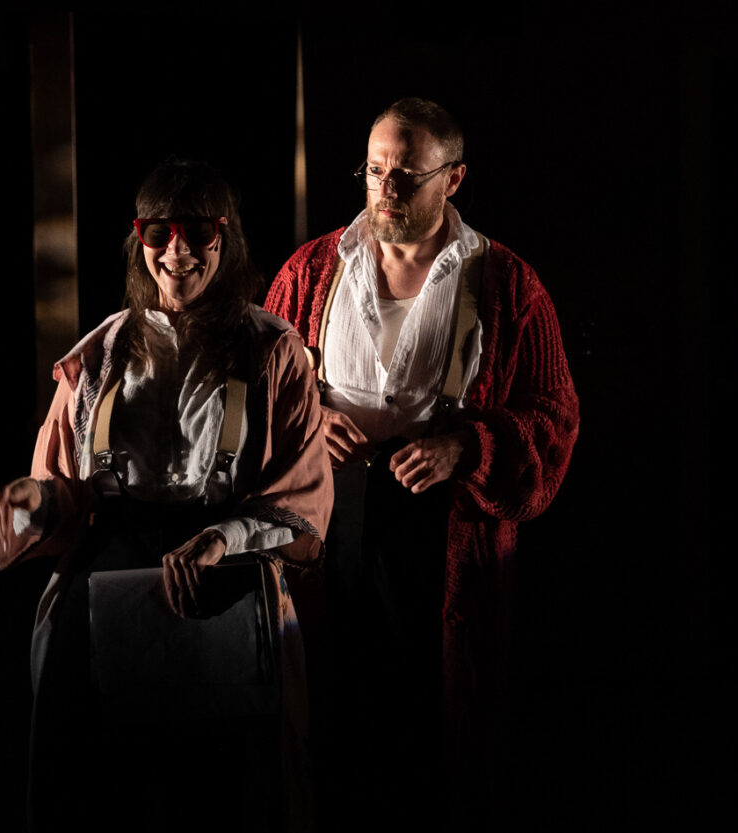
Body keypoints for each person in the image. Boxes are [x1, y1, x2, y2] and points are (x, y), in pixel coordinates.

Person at [0, 160, 330, 832]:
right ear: (137, 237)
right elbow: (67, 491)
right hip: (110, 573)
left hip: (224, 574)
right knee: (99, 783)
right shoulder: (102, 354)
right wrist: (32, 500)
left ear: (225, 238)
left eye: (197, 231)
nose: (177, 250)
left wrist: (222, 539)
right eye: (159, 231)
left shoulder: (271, 351)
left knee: (218, 786)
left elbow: (303, 497)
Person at [264, 98, 579, 824]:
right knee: (332, 714)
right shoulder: (310, 270)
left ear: (453, 178)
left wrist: (468, 446)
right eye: (374, 171)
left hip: (442, 532)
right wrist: (312, 420)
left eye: (406, 175)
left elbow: (555, 417)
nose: (385, 189)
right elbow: (260, 393)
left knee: (430, 728)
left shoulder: (507, 282)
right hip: (329, 520)